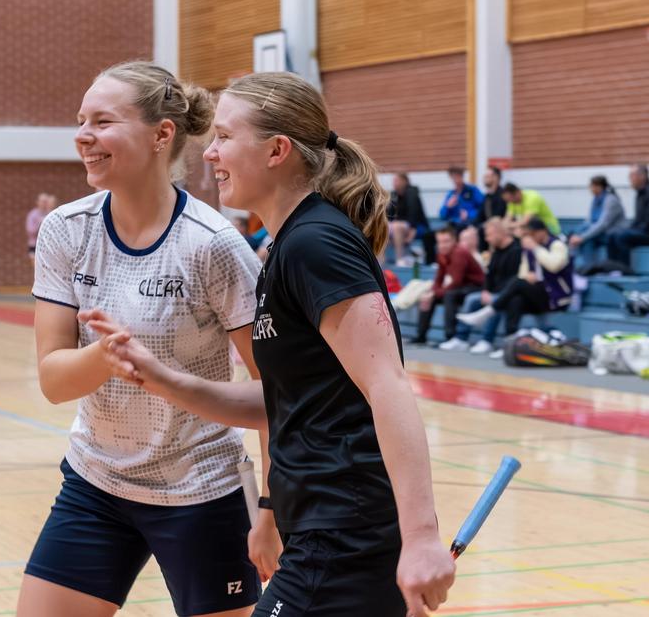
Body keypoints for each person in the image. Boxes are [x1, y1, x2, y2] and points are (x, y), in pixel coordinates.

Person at [86, 71, 454, 617]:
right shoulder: (287, 246)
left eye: (224, 137)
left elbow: (387, 385)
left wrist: (422, 536)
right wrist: (161, 378)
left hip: (344, 534)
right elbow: (283, 400)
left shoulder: (316, 244)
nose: (209, 153)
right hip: (319, 529)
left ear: (277, 150)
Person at [18, 62, 269, 617]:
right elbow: (54, 381)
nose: (84, 136)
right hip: (96, 483)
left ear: (162, 134)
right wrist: (106, 356)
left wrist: (272, 511)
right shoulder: (67, 230)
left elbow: (276, 394)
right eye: (81, 121)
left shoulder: (213, 245)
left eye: (103, 122)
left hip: (201, 490)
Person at [458, 218, 573, 355]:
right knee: (515, 299)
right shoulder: (528, 250)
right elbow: (522, 274)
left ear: (542, 232)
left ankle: (488, 311)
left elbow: (554, 266)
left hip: (557, 297)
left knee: (516, 283)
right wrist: (528, 276)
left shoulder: (557, 245)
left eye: (531, 234)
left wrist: (536, 248)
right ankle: (509, 343)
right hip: (538, 294)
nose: (529, 238)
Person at [447, 218, 522, 354]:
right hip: (492, 292)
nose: (487, 239)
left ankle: (487, 340)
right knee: (471, 299)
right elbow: (489, 275)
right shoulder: (496, 251)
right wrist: (485, 291)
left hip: (506, 294)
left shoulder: (516, 250)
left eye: (489, 235)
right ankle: (461, 338)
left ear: (499, 232)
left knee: (495, 301)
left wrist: (493, 295)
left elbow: (513, 280)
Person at [413, 226, 484, 347]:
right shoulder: (441, 254)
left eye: (446, 241)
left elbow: (456, 282)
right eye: (439, 242)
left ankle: (450, 336)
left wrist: (434, 293)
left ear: (454, 241)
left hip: (475, 287)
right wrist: (432, 293)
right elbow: (438, 279)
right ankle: (421, 336)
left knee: (449, 295)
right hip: (461, 287)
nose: (442, 245)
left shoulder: (459, 253)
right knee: (428, 295)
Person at [568, 175, 625, 268]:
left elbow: (602, 224)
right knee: (577, 233)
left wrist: (582, 237)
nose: (590, 189)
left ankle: (588, 268)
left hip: (610, 234)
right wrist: (579, 235)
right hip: (598, 233)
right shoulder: (595, 199)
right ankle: (582, 267)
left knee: (585, 239)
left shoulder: (611, 200)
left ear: (599, 187)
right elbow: (589, 221)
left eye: (592, 186)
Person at [606, 164, 649, 266]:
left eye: (632, 175)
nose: (630, 179)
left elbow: (646, 224)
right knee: (612, 234)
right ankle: (612, 268)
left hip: (647, 232)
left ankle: (624, 269)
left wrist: (631, 229)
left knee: (622, 236)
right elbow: (638, 220)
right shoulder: (640, 193)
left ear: (642, 176)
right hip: (642, 230)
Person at [387, 172, 434, 265]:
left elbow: (414, 214)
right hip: (399, 226)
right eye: (394, 181)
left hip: (417, 226)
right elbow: (389, 215)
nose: (394, 183)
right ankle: (380, 262)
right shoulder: (393, 195)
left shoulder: (412, 193)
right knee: (381, 227)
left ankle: (399, 259)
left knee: (396, 227)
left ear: (405, 181)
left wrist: (413, 229)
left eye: (397, 180)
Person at [438, 166, 484, 232]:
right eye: (454, 177)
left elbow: (483, 209)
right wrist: (447, 206)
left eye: (458, 176)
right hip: (454, 225)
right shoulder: (450, 194)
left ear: (462, 176)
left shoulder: (472, 190)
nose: (456, 180)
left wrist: (469, 214)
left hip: (470, 224)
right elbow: (442, 216)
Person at [25, 193, 51, 264]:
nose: (44, 203)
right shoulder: (32, 214)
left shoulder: (51, 214)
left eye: (46, 201)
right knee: (36, 266)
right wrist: (39, 223)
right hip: (35, 245)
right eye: (43, 201)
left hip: (48, 246)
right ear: (37, 202)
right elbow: (30, 231)